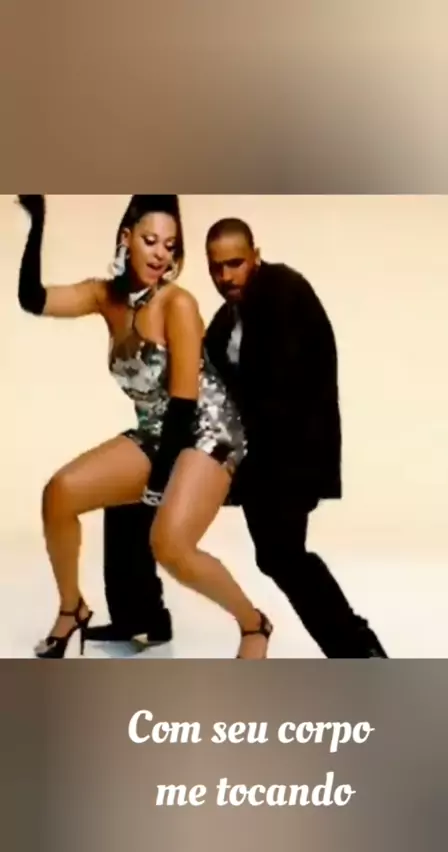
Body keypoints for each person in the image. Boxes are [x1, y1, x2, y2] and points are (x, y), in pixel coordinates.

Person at [92, 216, 387, 658]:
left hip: (284, 458)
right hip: (244, 448)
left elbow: (280, 389)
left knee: (281, 556)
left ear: (255, 257)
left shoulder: (285, 293)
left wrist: (211, 453)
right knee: (130, 493)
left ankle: (360, 653)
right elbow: (202, 373)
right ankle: (141, 616)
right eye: (216, 267)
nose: (225, 276)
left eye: (235, 264)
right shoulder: (230, 314)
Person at [16, 194, 273, 660]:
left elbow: (184, 404)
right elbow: (32, 299)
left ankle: (253, 624)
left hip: (209, 431)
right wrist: (37, 223)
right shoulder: (104, 296)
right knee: (59, 493)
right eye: (150, 240)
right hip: (158, 432)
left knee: (170, 545)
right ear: (126, 238)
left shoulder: (177, 304)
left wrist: (155, 489)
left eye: (170, 246)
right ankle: (72, 610)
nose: (160, 254)